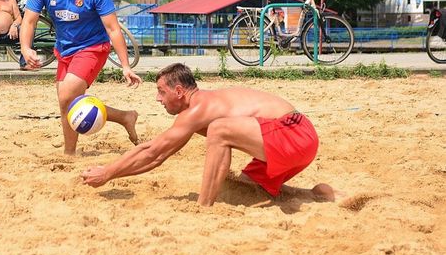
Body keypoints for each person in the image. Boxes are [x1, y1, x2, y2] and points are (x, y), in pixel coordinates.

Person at [81, 63, 335, 207]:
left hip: (293, 133)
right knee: (246, 186)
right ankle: (315, 194)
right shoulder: (203, 105)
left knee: (219, 130)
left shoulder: (199, 108)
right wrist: (110, 172)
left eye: (161, 91)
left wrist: (107, 172)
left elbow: (153, 152)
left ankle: (204, 206)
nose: (158, 98)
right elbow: (158, 154)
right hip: (300, 137)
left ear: (179, 91)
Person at [20, 0, 142, 155]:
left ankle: (69, 154)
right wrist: (26, 48)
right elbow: (29, 21)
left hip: (92, 47)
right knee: (66, 102)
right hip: (64, 50)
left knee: (67, 95)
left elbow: (113, 29)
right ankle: (122, 118)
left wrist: (125, 66)